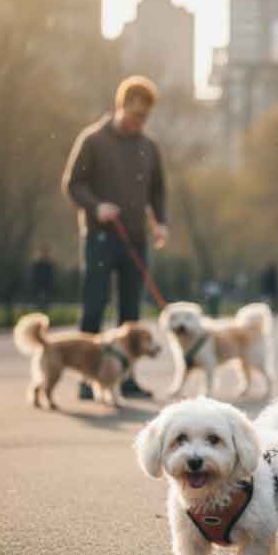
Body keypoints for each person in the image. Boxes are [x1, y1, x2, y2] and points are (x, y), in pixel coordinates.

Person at [62, 75, 169, 400]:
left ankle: (126, 379)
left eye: (145, 117)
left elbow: (158, 190)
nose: (140, 122)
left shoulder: (149, 147)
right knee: (94, 306)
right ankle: (86, 376)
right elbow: (72, 185)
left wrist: (160, 223)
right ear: (121, 106)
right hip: (100, 237)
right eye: (136, 115)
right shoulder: (93, 140)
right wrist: (97, 207)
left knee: (130, 312)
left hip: (136, 239)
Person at [31, 246, 55, 311]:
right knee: (40, 300)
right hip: (40, 285)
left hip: (46, 285)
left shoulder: (48, 265)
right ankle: (40, 309)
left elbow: (50, 276)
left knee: (45, 300)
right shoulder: (38, 265)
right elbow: (35, 275)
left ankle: (44, 309)